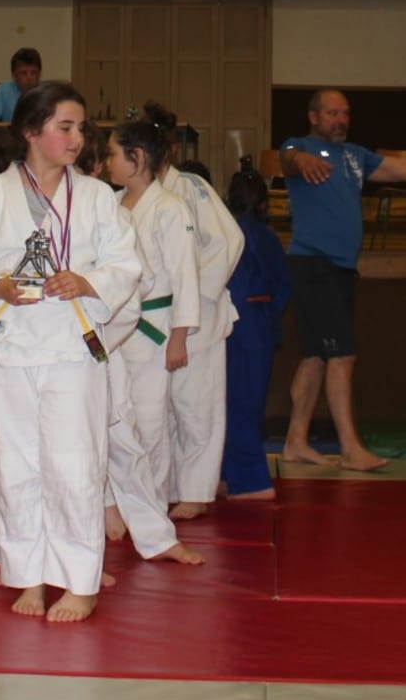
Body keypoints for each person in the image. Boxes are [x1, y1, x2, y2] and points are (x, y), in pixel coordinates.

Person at [0, 81, 140, 623]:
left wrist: (88, 281)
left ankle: (78, 581)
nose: (77, 138)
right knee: (18, 463)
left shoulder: (96, 197)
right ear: (31, 131)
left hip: (71, 346)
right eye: (65, 127)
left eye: (81, 129)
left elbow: (126, 264)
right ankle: (27, 573)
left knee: (73, 463)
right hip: (11, 345)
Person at [278, 89, 406, 472]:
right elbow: (287, 157)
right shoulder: (300, 146)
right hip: (314, 265)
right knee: (342, 355)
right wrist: (301, 159)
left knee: (316, 356)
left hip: (340, 269)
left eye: (345, 113)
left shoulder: (356, 155)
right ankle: (350, 447)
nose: (340, 120)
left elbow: (404, 170)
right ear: (314, 117)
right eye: (332, 113)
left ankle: (295, 441)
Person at [100, 115, 204, 568]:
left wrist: (179, 335)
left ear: (137, 158)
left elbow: (185, 275)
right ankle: (110, 504)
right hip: (110, 328)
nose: (106, 162)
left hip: (154, 327)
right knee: (108, 419)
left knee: (150, 425)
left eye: (112, 154)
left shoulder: (171, 207)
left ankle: (154, 510)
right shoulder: (109, 204)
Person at [147, 103, 243, 520]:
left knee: (196, 407)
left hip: (197, 315)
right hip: (154, 320)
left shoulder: (190, 188)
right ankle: (166, 485)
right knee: (160, 409)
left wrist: (193, 299)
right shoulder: (133, 197)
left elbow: (228, 242)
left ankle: (197, 491)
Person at [220, 169, 289, 501]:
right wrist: (269, 317)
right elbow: (283, 287)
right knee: (247, 403)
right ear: (263, 203)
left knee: (235, 404)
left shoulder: (227, 232)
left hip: (236, 324)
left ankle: (251, 481)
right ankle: (230, 475)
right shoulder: (268, 238)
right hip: (259, 323)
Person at [0, 47, 43, 124]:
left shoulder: (47, 92)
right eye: (23, 73)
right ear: (13, 76)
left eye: (33, 73)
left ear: (39, 74)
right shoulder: (4, 90)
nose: (29, 78)